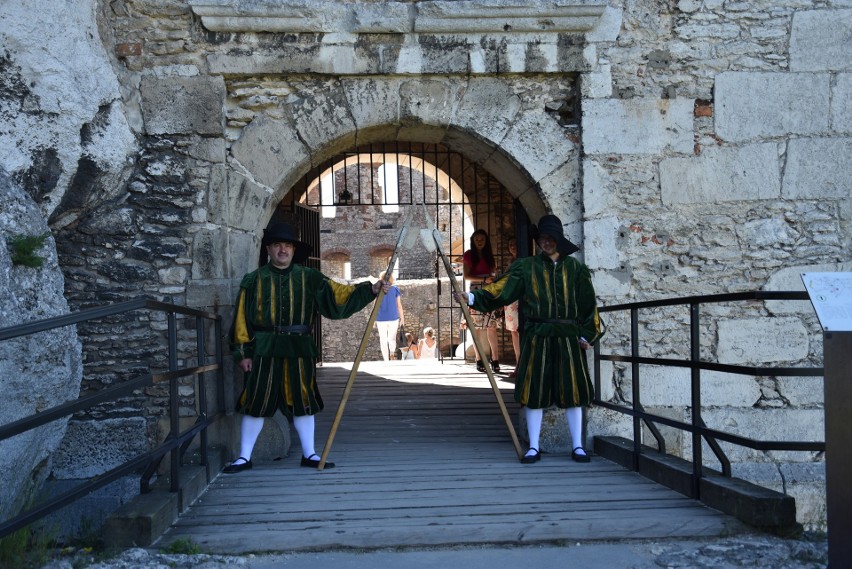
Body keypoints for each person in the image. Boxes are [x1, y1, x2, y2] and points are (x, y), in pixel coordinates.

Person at [225, 221, 389, 473]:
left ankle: (309, 454)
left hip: (298, 348)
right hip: (263, 349)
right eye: (277, 245)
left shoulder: (310, 278)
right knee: (255, 400)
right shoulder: (253, 280)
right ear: (268, 249)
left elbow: (338, 296)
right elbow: (241, 320)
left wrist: (371, 289)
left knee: (303, 400)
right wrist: (242, 352)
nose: (283, 250)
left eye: (287, 245)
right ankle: (244, 457)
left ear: (293, 250)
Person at [453, 215, 605, 464]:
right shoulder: (526, 267)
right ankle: (533, 447)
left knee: (573, 390)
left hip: (568, 337)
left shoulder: (575, 269)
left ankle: (578, 446)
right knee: (534, 390)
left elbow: (589, 304)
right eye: (543, 238)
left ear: (558, 240)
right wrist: (472, 299)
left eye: (550, 238)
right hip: (538, 337)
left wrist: (588, 334)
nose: (546, 242)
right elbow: (503, 289)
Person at [462, 229, 501, 373]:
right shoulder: (468, 255)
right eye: (477, 239)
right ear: (473, 240)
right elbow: (466, 276)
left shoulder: (489, 255)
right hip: (476, 291)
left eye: (482, 239)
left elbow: (493, 272)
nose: (479, 241)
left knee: (491, 326)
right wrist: (484, 279)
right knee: (477, 328)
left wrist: (491, 278)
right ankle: (479, 359)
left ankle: (495, 359)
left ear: (486, 241)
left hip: (489, 290)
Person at [375, 271, 405, 363]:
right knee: (391, 338)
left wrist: (373, 320)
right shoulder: (395, 289)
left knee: (383, 339)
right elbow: (399, 305)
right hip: (393, 317)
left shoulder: (377, 290)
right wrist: (402, 319)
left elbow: (375, 305)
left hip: (380, 318)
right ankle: (392, 352)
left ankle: (386, 360)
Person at [503, 238, 522, 378]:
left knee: (520, 332)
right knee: (514, 333)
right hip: (511, 301)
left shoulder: (525, 261)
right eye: (510, 245)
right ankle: (518, 364)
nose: (513, 247)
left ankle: (522, 365)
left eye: (515, 243)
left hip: (520, 299)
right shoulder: (510, 263)